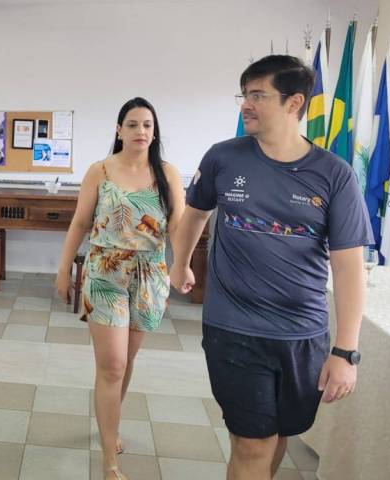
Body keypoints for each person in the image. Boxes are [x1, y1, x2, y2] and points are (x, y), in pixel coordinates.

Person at [170, 55, 372, 480]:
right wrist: (180, 264)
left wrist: (345, 351)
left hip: (302, 335)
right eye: (245, 94)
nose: (247, 104)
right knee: (252, 443)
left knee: (277, 434)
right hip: (234, 329)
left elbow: (349, 267)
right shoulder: (224, 158)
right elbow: (195, 214)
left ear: (294, 102)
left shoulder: (334, 175)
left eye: (258, 95)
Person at [53, 98, 183, 480]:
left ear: (154, 131)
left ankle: (110, 425)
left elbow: (177, 224)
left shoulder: (168, 174)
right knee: (111, 365)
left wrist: (183, 263)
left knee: (125, 362)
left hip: (150, 274)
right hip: (105, 271)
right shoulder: (101, 170)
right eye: (133, 124)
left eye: (147, 125)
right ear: (119, 130)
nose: (141, 131)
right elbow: (80, 223)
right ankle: (109, 460)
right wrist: (63, 269)